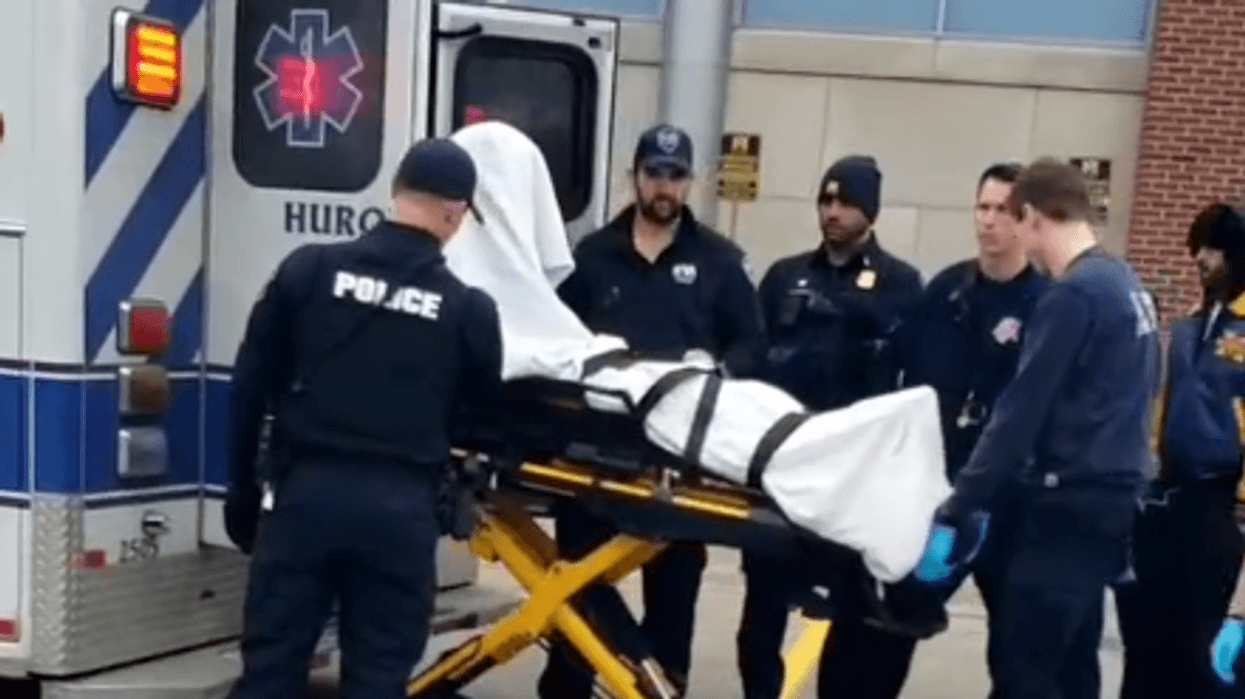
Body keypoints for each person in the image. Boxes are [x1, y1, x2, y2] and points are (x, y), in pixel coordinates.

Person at [221, 138, 503, 699]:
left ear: (396, 192)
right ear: (457, 213)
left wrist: (240, 490)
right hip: (398, 518)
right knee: (377, 679)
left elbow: (250, 385)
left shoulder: (307, 272)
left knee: (271, 673)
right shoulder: (469, 311)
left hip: (304, 502)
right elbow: (479, 423)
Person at [914, 157, 1162, 699]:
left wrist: (960, 504)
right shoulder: (1124, 282)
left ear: (1033, 217)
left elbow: (1021, 410)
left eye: (1015, 219)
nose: (1015, 235)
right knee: (1072, 671)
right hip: (1111, 505)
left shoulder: (1072, 294)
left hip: (1064, 508)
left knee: (1025, 668)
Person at [537, 123, 766, 699]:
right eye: (654, 172)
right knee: (579, 590)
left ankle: (664, 685)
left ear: (691, 182)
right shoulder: (590, 258)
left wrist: (720, 373)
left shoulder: (719, 262)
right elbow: (556, 339)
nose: (664, 185)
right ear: (634, 176)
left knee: (673, 597)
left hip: (678, 464)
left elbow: (751, 344)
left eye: (676, 175)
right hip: (593, 457)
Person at [737, 154, 924, 699]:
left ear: (870, 212)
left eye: (846, 203)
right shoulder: (785, 277)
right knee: (761, 616)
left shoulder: (902, 285)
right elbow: (753, 357)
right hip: (783, 469)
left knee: (847, 616)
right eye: (826, 201)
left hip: (851, 480)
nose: (833, 212)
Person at [883, 161, 1049, 698]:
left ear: (1027, 219)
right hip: (941, 492)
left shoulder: (1047, 305)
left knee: (1017, 647)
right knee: (895, 613)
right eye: (983, 207)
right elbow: (904, 373)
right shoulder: (947, 290)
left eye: (1004, 210)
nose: (990, 221)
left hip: (1010, 499)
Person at [1118, 199, 1245, 699]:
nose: (1202, 259)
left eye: (1214, 249)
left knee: (1203, 657)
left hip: (1220, 508)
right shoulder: (1191, 324)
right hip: (1164, 502)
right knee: (1146, 643)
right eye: (1199, 247)